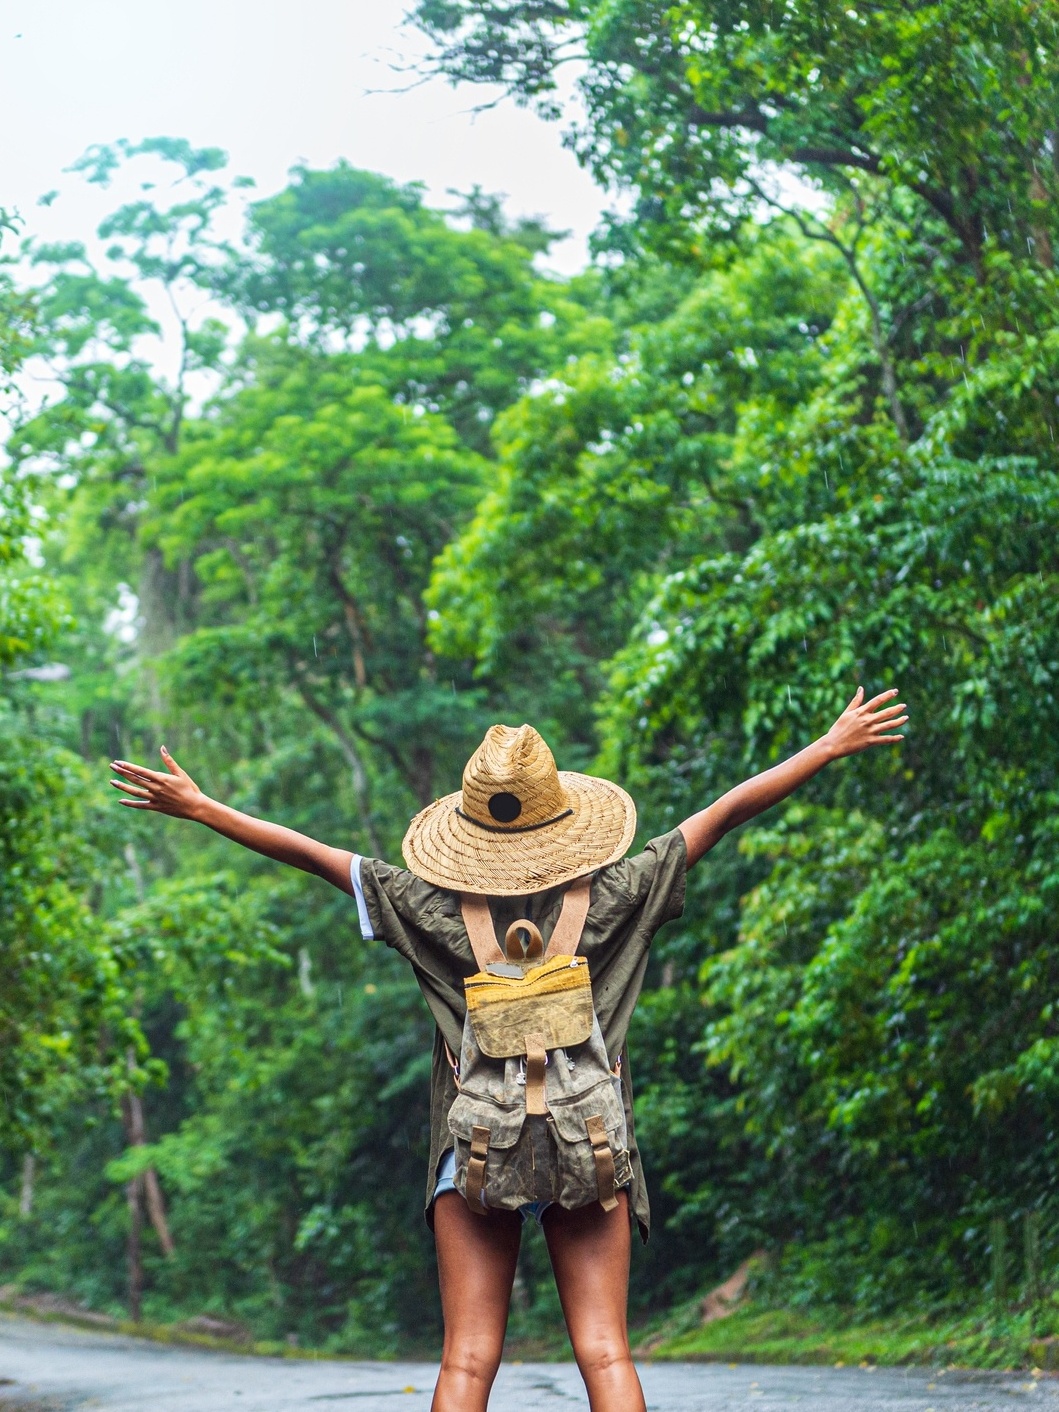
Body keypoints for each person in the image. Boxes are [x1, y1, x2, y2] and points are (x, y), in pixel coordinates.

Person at [110, 685, 907, 1412]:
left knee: (466, 1361)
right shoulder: (618, 896)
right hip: (588, 1142)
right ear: (564, 819)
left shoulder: (423, 904)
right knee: (603, 1351)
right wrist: (825, 746)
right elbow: (723, 814)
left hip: (475, 1150)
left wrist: (203, 807)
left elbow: (313, 854)